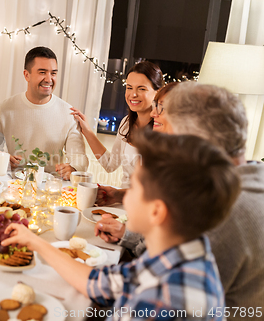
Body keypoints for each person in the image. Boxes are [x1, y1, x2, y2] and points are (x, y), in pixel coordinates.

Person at [2, 131, 240, 320]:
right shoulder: (180, 255)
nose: (124, 197)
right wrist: (37, 244)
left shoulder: (160, 300)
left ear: (156, 211)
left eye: (134, 188)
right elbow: (101, 283)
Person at [96, 82, 264, 320]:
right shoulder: (251, 179)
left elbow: (154, 282)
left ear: (193, 140)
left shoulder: (223, 209)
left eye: (169, 134)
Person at [0, 46, 88, 180]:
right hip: (15, 186)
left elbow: (80, 158)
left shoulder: (68, 114)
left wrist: (73, 168)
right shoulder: (5, 109)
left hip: (50, 188)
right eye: (42, 72)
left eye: (53, 73)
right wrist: (1, 159)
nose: (49, 79)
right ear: (27, 75)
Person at [71, 61, 164, 187]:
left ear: (158, 92)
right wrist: (87, 131)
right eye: (129, 87)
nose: (133, 94)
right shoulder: (126, 123)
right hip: (123, 200)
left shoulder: (163, 129)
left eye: (141, 89)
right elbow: (110, 165)